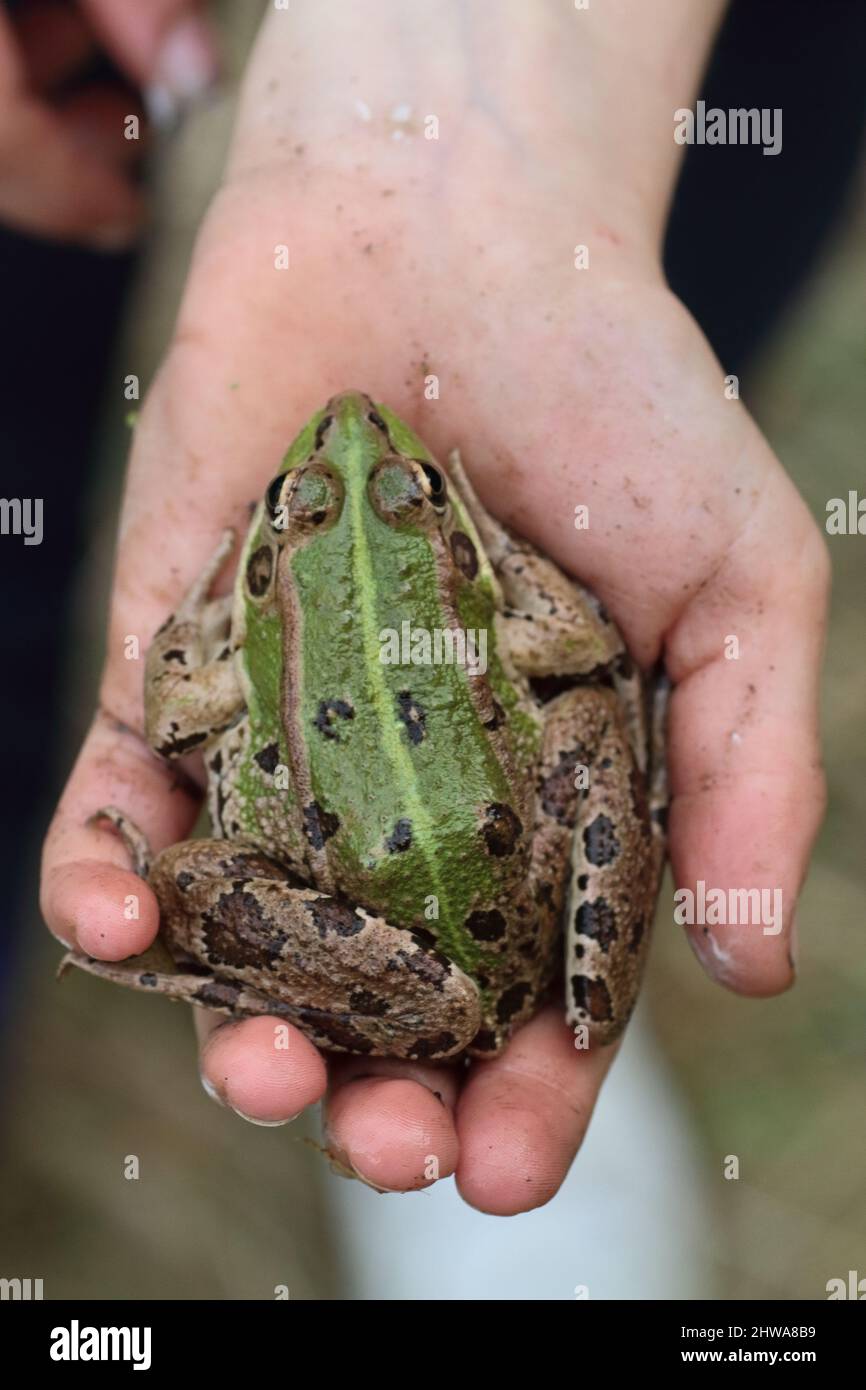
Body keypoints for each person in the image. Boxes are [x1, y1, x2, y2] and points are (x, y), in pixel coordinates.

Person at [31, 1, 828, 1215]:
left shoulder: (226, 667)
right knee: (590, 712)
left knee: (175, 878)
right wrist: (509, 559)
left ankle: (408, 1086)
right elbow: (581, 644)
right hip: (509, 908)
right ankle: (552, 1020)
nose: (350, 436)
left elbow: (176, 708)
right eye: (311, 504)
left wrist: (203, 604)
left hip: (369, 893)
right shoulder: (508, 613)